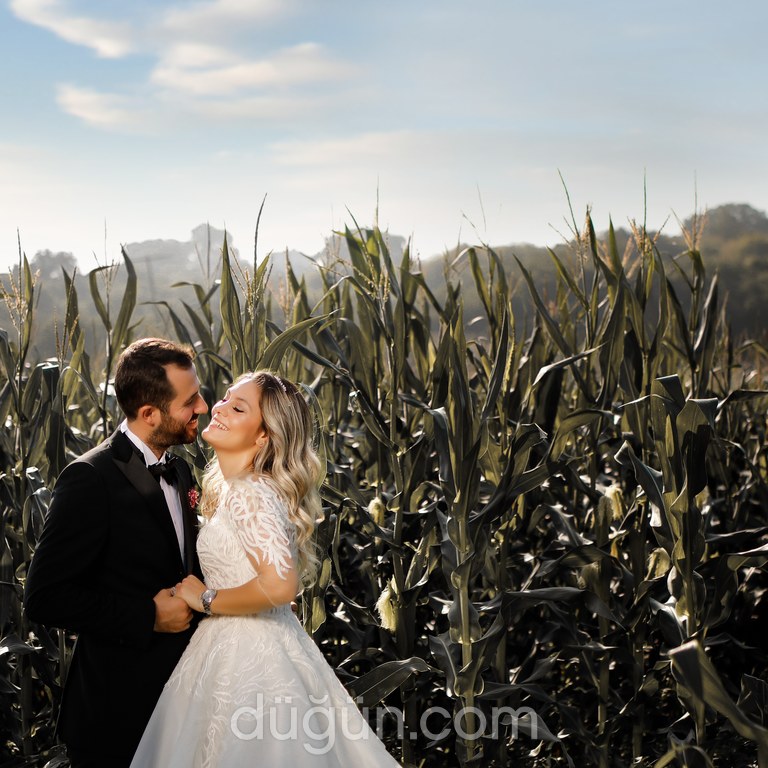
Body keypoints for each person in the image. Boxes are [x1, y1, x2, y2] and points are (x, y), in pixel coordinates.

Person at [130, 371, 400, 766]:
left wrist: (205, 598)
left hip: (247, 659)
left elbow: (279, 586)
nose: (219, 408)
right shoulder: (243, 488)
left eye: (238, 408)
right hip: (244, 645)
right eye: (225, 398)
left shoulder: (250, 492)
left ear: (263, 436)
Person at [24, 338, 209, 768]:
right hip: (115, 715)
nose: (202, 406)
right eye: (190, 401)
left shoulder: (181, 469)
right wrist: (148, 616)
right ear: (149, 413)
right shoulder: (90, 478)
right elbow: (44, 596)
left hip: (182, 706)